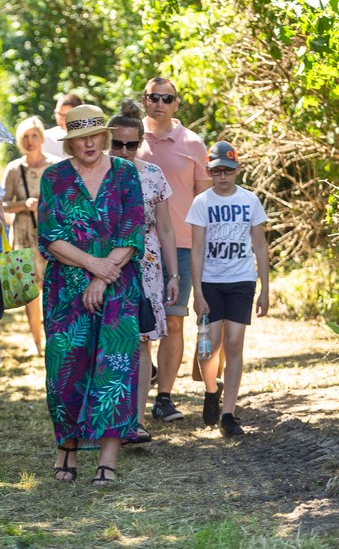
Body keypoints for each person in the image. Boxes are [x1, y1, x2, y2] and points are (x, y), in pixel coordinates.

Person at [38, 104, 144, 485]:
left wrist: (103, 275)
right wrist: (92, 266)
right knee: (64, 369)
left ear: (105, 136)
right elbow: (50, 237)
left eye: (94, 135)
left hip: (118, 289)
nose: (89, 143)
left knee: (114, 369)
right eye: (80, 137)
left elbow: (132, 232)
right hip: (66, 290)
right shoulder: (54, 177)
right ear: (70, 142)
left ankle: (107, 459)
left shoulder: (127, 173)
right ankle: (65, 448)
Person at [136, 76, 212, 422]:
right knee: (139, 324)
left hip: (181, 244)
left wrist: (204, 247)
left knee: (175, 322)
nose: (160, 104)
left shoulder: (194, 144)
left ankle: (164, 397)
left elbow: (205, 201)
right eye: (154, 97)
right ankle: (137, 389)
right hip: (135, 246)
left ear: (177, 104)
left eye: (167, 98)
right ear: (144, 100)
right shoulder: (129, 140)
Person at [107, 100, 180, 443]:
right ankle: (107, 415)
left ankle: (134, 422)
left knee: (140, 343)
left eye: (131, 144)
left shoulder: (153, 175)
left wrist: (174, 274)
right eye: (117, 144)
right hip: (104, 266)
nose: (123, 150)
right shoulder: (95, 174)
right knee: (106, 341)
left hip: (147, 268)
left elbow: (166, 229)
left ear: (141, 143)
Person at [187, 141, 269, 437]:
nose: (222, 176)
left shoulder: (250, 201)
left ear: (238, 170)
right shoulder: (202, 202)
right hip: (210, 282)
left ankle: (228, 414)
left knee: (234, 343)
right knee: (208, 349)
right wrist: (197, 292)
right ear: (208, 171)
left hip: (241, 281)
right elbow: (196, 250)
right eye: (216, 171)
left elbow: (260, 246)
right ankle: (212, 390)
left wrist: (265, 289)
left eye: (228, 171)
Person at [1, 116, 59, 355]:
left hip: (50, 235)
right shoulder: (15, 169)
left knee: (53, 287)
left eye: (34, 135)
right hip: (23, 235)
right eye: (25, 136)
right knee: (30, 291)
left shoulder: (55, 166)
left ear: (42, 138)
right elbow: (2, 204)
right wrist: (24, 204)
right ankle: (37, 343)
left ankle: (53, 336)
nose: (30, 140)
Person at [41, 93, 83, 158]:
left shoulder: (90, 138)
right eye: (58, 114)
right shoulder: (45, 138)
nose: (61, 118)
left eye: (65, 115)